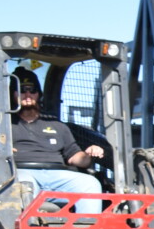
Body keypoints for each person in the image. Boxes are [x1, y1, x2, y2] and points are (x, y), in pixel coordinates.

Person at [9, 67, 105, 213]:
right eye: (22, 90)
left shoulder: (56, 124)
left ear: (38, 94)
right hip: (21, 171)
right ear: (12, 94)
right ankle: (30, 227)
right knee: (24, 187)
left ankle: (87, 227)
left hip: (56, 174)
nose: (28, 95)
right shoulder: (3, 124)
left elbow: (75, 156)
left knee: (90, 183)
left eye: (32, 90)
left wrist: (89, 154)